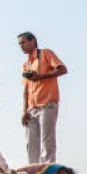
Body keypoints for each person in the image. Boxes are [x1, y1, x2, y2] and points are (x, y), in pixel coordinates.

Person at [18, 31, 68, 164]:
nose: (21, 46)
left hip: (47, 103)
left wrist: (41, 77)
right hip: (32, 107)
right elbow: (26, 88)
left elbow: (63, 69)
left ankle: (48, 168)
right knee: (31, 142)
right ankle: (33, 168)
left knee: (47, 139)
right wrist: (24, 111)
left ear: (33, 41)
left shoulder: (45, 53)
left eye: (23, 42)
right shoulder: (26, 64)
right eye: (19, 44)